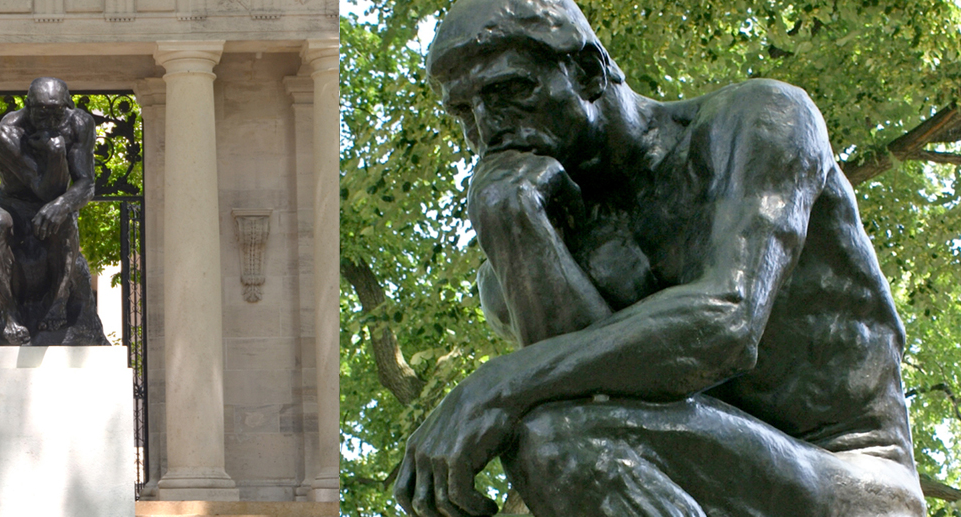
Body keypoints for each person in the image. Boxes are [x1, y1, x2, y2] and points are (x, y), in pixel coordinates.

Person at [393, 1, 926, 516]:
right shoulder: (522, 262)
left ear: (588, 71)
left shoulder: (759, 120)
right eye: (464, 111)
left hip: (854, 481)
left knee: (562, 440)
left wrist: (494, 385)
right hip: (695, 465)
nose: (489, 132)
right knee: (554, 439)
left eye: (509, 90)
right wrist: (510, 222)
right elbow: (585, 412)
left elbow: (727, 323)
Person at [0, 77, 109, 347]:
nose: (49, 119)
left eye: (56, 111)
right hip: (14, 205)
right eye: (41, 111)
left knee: (63, 217)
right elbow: (43, 189)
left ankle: (59, 301)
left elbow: (87, 184)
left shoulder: (80, 123)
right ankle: (9, 312)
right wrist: (55, 154)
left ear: (68, 106)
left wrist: (62, 205)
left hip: (55, 203)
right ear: (28, 106)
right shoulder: (8, 132)